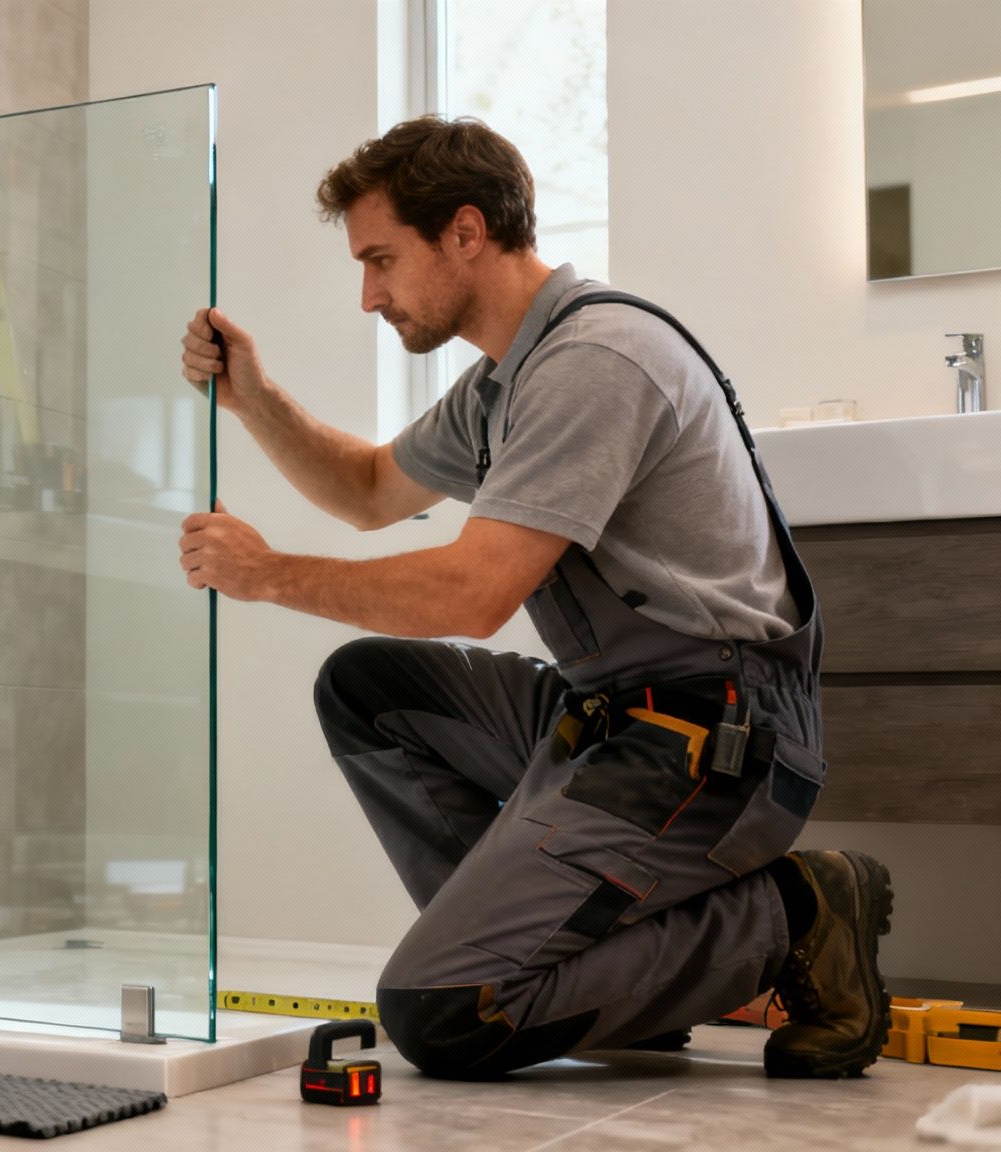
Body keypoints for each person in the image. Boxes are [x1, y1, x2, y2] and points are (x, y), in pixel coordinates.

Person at [176, 115, 892, 1080]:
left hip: (719, 736)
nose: (367, 295)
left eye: (382, 259)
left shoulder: (594, 360)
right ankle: (585, 974)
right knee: (369, 688)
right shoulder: (503, 384)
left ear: (465, 232)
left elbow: (473, 593)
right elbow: (368, 492)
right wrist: (254, 394)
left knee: (444, 1015)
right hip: (614, 714)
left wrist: (266, 575)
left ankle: (794, 910)